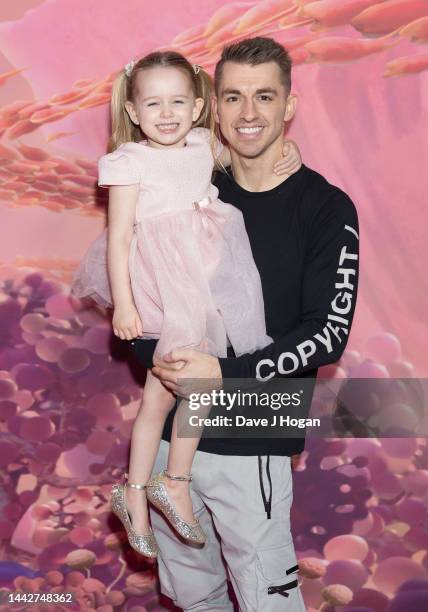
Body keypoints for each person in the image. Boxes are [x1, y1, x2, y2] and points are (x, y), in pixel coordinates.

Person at [133, 37, 359, 611]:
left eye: (265, 96)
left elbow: (327, 333)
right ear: (214, 104)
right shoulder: (189, 187)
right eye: (233, 96)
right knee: (194, 599)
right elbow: (140, 289)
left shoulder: (326, 208)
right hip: (165, 447)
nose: (249, 113)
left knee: (269, 603)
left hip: (251, 436)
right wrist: (159, 357)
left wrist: (222, 374)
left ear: (289, 105)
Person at [72, 50, 301, 559]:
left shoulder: (202, 143)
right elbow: (119, 241)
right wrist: (124, 306)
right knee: (169, 392)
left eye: (177, 101)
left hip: (213, 285)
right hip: (166, 286)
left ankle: (148, 488)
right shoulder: (130, 162)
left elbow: (248, 153)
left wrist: (294, 151)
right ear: (133, 113)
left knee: (178, 389)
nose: (167, 113)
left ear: (198, 106)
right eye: (153, 104)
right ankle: (154, 486)